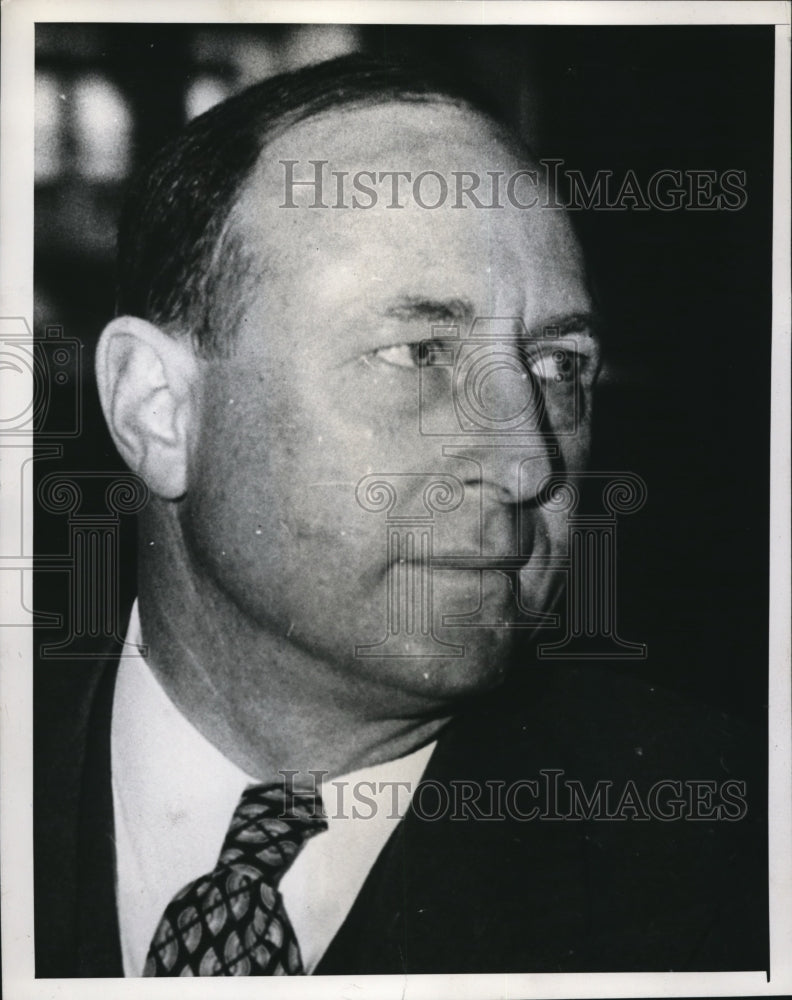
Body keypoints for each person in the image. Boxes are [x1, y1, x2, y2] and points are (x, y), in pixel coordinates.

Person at [34, 54, 766, 977]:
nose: (526, 460)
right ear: (157, 409)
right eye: (421, 352)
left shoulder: (731, 853)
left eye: (560, 367)